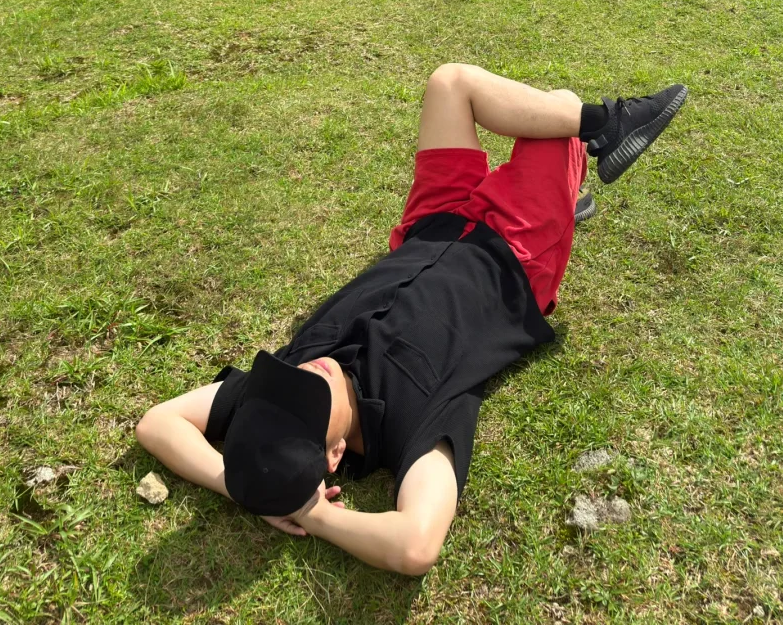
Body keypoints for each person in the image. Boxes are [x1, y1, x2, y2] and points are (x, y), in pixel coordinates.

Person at [136, 65, 687, 575]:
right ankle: (590, 153)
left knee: (450, 84)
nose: (308, 374)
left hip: (430, 226)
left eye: (286, 385)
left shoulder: (279, 394)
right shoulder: (411, 425)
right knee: (559, 114)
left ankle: (593, 150)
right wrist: (314, 515)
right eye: (310, 401)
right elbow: (415, 546)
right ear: (333, 456)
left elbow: (156, 423)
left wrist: (239, 487)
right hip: (513, 258)